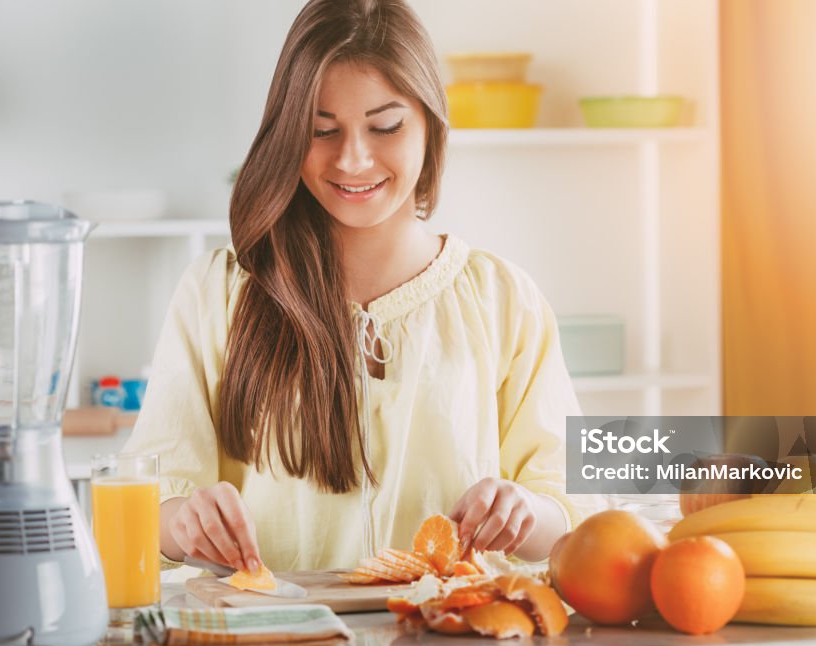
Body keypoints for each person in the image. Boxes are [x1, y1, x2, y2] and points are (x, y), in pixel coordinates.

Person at [125, 0, 599, 575]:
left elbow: (571, 505)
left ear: (430, 124)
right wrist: (183, 521)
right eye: (322, 130)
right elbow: (147, 501)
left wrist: (525, 511)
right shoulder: (219, 291)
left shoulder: (502, 297)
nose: (352, 159)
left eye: (385, 126)